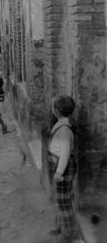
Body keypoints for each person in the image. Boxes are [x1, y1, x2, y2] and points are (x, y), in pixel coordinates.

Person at [48, 96, 80, 243]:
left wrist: (59, 172)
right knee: (61, 199)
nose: (52, 109)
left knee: (64, 202)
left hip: (64, 167)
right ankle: (61, 226)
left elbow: (65, 153)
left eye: (54, 107)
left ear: (57, 111)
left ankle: (69, 233)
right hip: (61, 165)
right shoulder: (62, 124)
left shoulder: (64, 129)